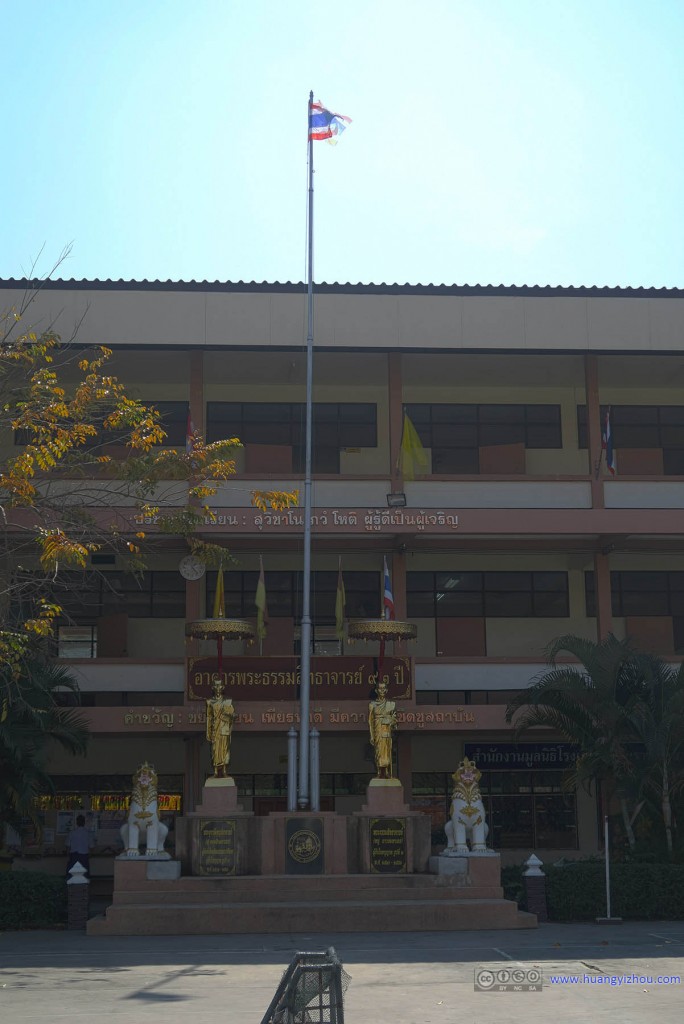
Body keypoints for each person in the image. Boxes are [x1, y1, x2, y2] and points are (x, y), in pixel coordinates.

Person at [206, 675, 235, 777]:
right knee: (214, 750)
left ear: (222, 688)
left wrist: (229, 716)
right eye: (216, 686)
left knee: (224, 749)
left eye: (219, 686)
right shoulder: (209, 702)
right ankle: (215, 771)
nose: (218, 688)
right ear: (213, 688)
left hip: (224, 729)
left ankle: (224, 771)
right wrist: (208, 732)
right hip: (215, 729)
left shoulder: (227, 702)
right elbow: (209, 718)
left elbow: (233, 716)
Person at [368, 678, 397, 779]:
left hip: (387, 731)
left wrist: (390, 721)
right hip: (377, 731)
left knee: (387, 751)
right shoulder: (372, 705)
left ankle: (388, 772)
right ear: (376, 691)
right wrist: (372, 736)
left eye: (384, 688)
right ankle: (379, 772)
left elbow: (394, 719)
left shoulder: (391, 704)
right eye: (380, 689)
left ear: (387, 690)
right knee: (378, 752)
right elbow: (370, 721)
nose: (382, 691)